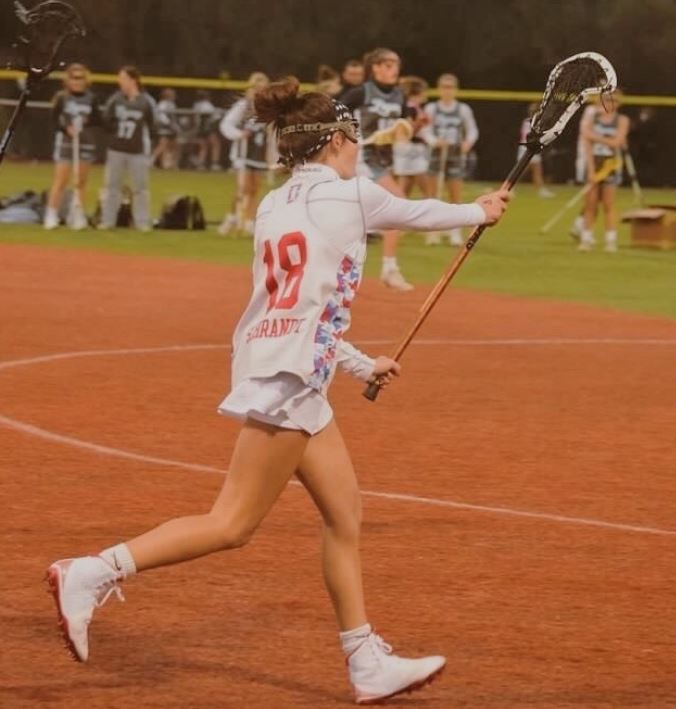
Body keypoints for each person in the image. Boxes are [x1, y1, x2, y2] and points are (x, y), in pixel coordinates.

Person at [46, 77, 510, 706]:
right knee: (232, 523)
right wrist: (480, 211)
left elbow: (298, 309)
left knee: (344, 514)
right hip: (288, 378)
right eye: (355, 141)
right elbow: (421, 214)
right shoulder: (353, 195)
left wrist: (357, 364)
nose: (359, 151)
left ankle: (365, 660)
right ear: (337, 140)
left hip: (285, 366)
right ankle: (93, 571)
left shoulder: (272, 204)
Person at [341, 48, 415, 290]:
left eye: (396, 64)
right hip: (362, 158)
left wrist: (404, 131)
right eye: (389, 65)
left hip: (382, 161)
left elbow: (404, 127)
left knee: (357, 215)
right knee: (398, 204)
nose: (395, 69)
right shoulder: (361, 92)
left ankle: (337, 263)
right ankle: (389, 269)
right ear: (375, 68)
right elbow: (334, 115)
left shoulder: (399, 96)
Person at [420, 73, 479, 246]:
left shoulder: (463, 109)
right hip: (436, 153)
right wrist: (433, 141)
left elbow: (472, 130)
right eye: (444, 87)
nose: (447, 91)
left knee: (455, 195)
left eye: (450, 87)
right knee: (433, 195)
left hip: (455, 153)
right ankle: (433, 232)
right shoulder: (432, 108)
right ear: (439, 89)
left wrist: (468, 143)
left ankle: (454, 232)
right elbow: (424, 129)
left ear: (455, 90)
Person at [44, 63, 101, 231]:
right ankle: (51, 214)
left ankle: (76, 214)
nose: (77, 81)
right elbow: (54, 119)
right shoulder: (62, 97)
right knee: (61, 181)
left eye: (80, 78)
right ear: (68, 80)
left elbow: (97, 119)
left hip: (85, 142)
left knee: (81, 181)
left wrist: (86, 122)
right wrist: (66, 128)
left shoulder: (91, 98)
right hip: (66, 142)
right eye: (74, 78)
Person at [99, 66, 157, 232]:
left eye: (123, 78)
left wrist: (149, 146)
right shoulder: (115, 99)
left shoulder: (146, 101)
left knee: (140, 188)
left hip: (137, 151)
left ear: (133, 80)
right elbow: (106, 121)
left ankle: (142, 222)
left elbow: (152, 126)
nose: (120, 82)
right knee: (112, 186)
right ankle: (108, 221)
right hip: (116, 149)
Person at [218, 72, 270, 235]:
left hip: (259, 153)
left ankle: (249, 221)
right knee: (243, 189)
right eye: (257, 87)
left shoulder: (269, 108)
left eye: (263, 88)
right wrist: (239, 134)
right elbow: (226, 124)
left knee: (255, 189)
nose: (260, 91)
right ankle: (231, 217)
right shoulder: (243, 106)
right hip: (243, 153)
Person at [578, 90, 629, 252]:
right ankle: (586, 239)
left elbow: (617, 142)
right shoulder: (592, 119)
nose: (609, 102)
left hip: (611, 165)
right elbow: (587, 145)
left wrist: (593, 136)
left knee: (609, 204)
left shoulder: (622, 120)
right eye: (606, 99)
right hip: (594, 163)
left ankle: (610, 241)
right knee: (590, 204)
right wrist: (591, 169)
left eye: (613, 100)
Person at [393, 76, 430, 198]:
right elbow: (407, 130)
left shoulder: (414, 106)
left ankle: (400, 207)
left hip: (411, 148)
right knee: (426, 190)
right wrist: (420, 123)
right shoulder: (410, 107)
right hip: (410, 148)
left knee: (406, 186)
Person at [517, 103, 554, 198]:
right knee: (520, 172)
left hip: (530, 148)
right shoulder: (532, 122)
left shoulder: (530, 121)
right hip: (527, 149)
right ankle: (505, 188)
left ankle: (541, 190)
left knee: (536, 171)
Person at [192, 89, 223, 170]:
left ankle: (201, 164)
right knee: (215, 145)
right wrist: (219, 112)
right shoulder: (206, 104)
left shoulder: (196, 104)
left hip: (199, 128)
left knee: (203, 147)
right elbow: (215, 117)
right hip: (208, 128)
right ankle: (214, 163)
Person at [152, 88, 180, 169]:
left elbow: (173, 118)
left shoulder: (172, 104)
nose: (174, 96)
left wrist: (175, 126)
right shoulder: (162, 104)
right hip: (164, 128)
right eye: (172, 94)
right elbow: (161, 116)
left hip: (171, 129)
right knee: (162, 145)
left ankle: (166, 164)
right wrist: (168, 124)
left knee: (172, 146)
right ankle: (151, 160)